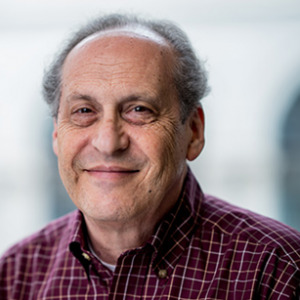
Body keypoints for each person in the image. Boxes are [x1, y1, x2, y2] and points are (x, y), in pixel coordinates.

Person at [0, 13, 299, 299]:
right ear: (56, 135)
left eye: (139, 110)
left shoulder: (278, 271)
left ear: (193, 132)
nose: (107, 143)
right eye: (84, 111)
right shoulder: (15, 276)